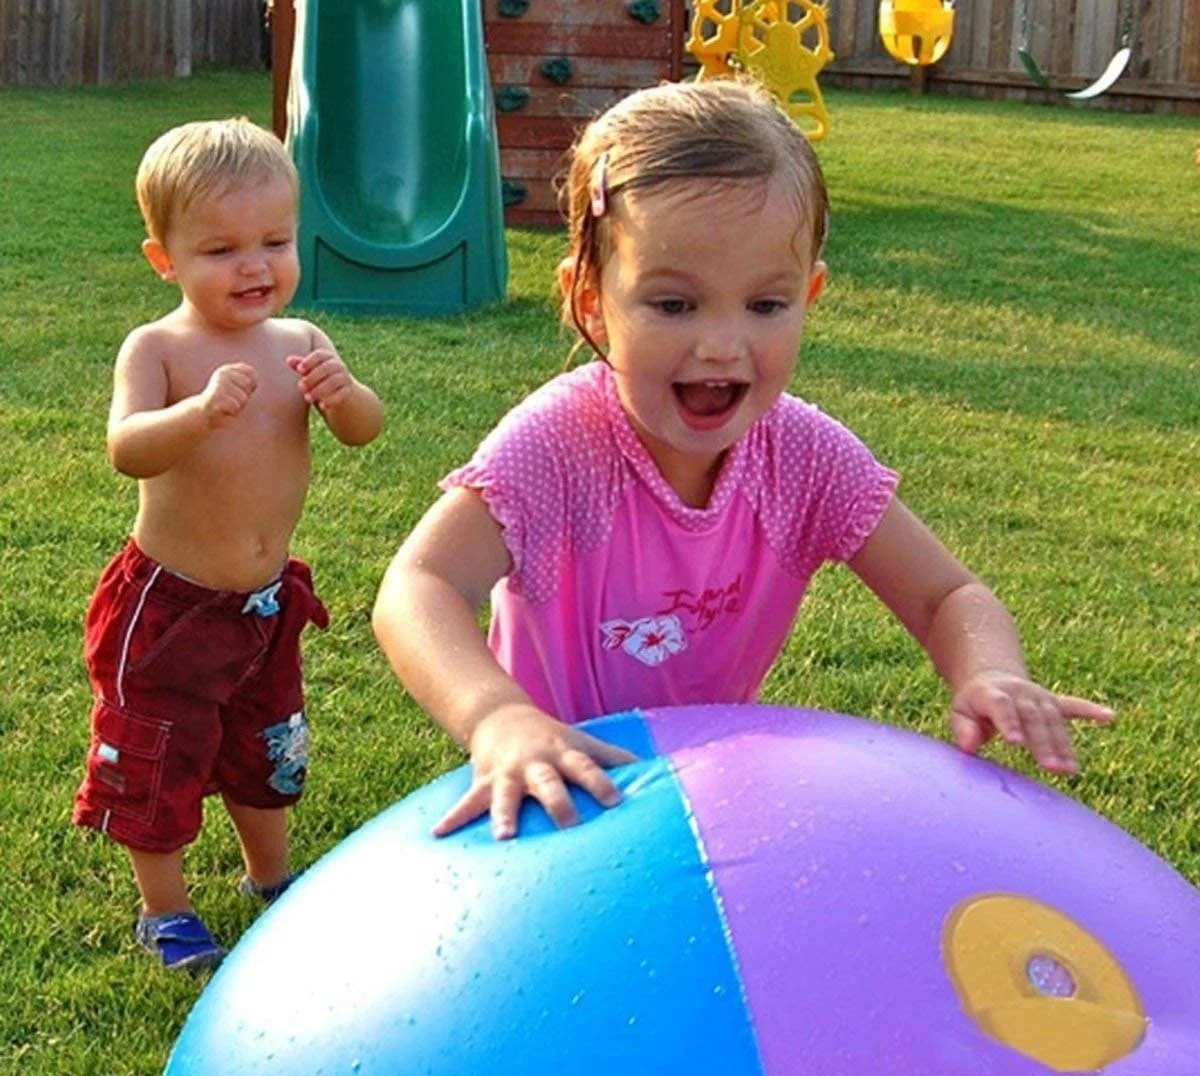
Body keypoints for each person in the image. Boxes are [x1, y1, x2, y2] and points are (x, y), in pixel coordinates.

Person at [372, 78, 1112, 842]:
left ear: (810, 295)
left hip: (709, 784)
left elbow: (945, 594)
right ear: (591, 300)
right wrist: (499, 718)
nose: (722, 345)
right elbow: (417, 586)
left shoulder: (805, 459)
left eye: (765, 305)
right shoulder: (560, 447)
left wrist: (987, 669)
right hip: (553, 789)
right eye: (673, 304)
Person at [74, 117, 385, 971]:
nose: (254, 266)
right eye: (220, 250)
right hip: (169, 607)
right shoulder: (160, 349)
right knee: (156, 754)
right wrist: (196, 412)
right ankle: (166, 913)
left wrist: (345, 392)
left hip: (265, 603)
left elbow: (363, 431)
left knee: (266, 744)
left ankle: (271, 877)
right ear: (164, 258)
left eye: (274, 241)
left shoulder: (303, 342)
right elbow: (126, 446)